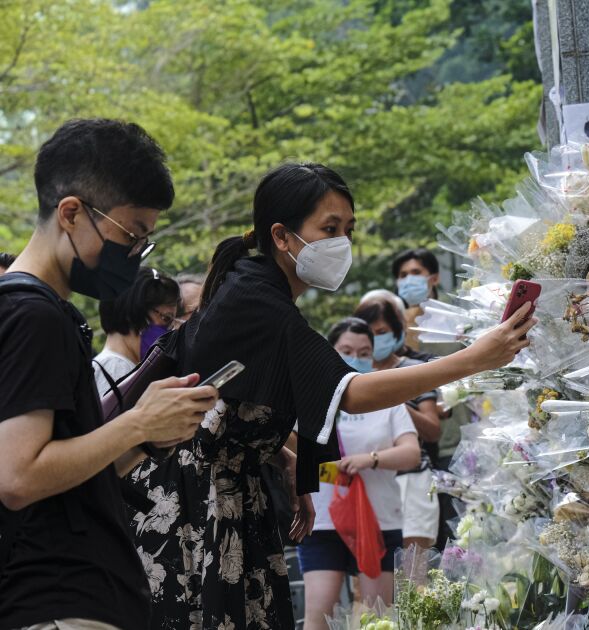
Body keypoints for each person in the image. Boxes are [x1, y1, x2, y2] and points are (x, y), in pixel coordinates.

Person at [123, 162, 534, 628]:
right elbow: (351, 392)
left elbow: (228, 406)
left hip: (229, 495)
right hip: (198, 503)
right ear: (282, 236)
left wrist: (285, 457)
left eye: (348, 230)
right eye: (330, 228)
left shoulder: (255, 290)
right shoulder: (258, 299)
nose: (342, 243)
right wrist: (473, 359)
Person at [0, 118, 218, 630]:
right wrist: (136, 422)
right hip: (56, 602)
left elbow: (61, 478)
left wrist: (145, 437)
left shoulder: (41, 312)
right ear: (71, 213)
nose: (136, 253)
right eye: (132, 233)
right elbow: (18, 477)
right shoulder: (34, 315)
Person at [299, 318, 420, 630]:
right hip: (322, 520)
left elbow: (411, 453)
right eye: (346, 351)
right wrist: (330, 468)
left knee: (377, 617)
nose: (355, 358)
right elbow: (291, 453)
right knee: (318, 616)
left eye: (364, 353)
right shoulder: (309, 398)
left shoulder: (387, 400)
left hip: (377, 521)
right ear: (329, 351)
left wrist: (371, 459)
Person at [354, 290, 441, 553]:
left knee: (412, 569)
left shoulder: (415, 371)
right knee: (371, 568)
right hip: (365, 481)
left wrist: (396, 403)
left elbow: (433, 430)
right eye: (368, 333)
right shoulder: (352, 378)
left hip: (412, 482)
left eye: (381, 332)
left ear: (396, 332)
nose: (374, 339)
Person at [93, 267, 181, 396]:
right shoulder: (116, 368)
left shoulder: (122, 366)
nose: (169, 329)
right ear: (135, 311)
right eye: (166, 318)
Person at [392, 248, 440, 350]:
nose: (409, 280)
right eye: (403, 275)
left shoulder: (452, 322)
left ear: (435, 279)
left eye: (416, 272)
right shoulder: (390, 326)